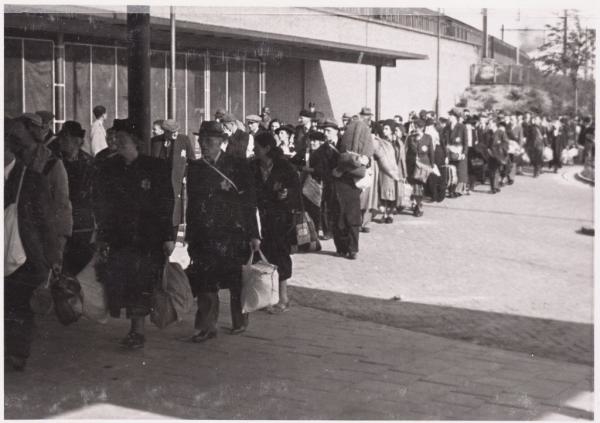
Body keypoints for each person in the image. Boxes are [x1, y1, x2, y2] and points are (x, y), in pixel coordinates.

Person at [94, 119, 175, 349]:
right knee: (125, 282)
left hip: (147, 239)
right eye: (115, 139)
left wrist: (168, 236)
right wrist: (102, 237)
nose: (117, 144)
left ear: (136, 142)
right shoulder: (110, 168)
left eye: (122, 140)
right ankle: (134, 328)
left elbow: (165, 203)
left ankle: (137, 331)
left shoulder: (155, 167)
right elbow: (105, 207)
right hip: (121, 238)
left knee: (141, 283)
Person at [186, 121, 260, 341]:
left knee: (236, 280)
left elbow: (249, 202)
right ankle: (207, 327)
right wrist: (190, 235)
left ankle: (240, 319)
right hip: (204, 235)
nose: (204, 145)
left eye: (209, 141)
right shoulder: (196, 168)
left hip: (232, 234)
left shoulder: (238, 166)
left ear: (222, 142)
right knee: (205, 282)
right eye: (201, 141)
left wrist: (254, 234)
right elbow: (192, 204)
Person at [4, 121, 61, 372]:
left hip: (24, 255)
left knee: (18, 307)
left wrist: (53, 259)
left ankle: (16, 354)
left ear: (9, 149)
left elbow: (47, 224)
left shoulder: (32, 180)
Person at [8, 113, 72, 269]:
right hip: (14, 237)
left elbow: (62, 205)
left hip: (39, 242)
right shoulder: (12, 159)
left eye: (19, 128)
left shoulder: (53, 164)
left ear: (30, 131)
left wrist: (59, 243)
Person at [251, 132, 302, 312]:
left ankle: (283, 297)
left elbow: (296, 190)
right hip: (260, 219)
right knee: (262, 257)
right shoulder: (253, 166)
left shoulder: (284, 167)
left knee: (280, 256)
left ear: (266, 148)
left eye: (257, 147)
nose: (254, 150)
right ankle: (266, 297)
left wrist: (286, 195)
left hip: (281, 220)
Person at [56, 121, 95, 276]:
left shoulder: (90, 163)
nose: (60, 141)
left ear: (77, 141)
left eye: (65, 138)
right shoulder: (55, 161)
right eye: (60, 137)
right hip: (61, 222)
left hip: (82, 225)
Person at [151, 119, 196, 240]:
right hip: (159, 183)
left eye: (177, 131)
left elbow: (191, 160)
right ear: (165, 132)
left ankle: (173, 239)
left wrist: (186, 175)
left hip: (176, 182)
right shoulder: (155, 142)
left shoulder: (184, 140)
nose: (175, 134)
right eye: (172, 132)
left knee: (175, 213)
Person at [406, 119, 434, 217]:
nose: (416, 129)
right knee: (415, 186)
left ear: (422, 128)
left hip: (423, 166)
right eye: (415, 127)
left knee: (420, 187)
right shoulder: (410, 138)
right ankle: (417, 205)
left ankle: (418, 205)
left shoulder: (428, 138)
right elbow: (407, 152)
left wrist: (432, 165)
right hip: (412, 166)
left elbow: (431, 152)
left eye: (418, 127)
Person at [375, 120, 400, 223]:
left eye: (387, 129)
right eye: (384, 128)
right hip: (384, 171)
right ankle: (384, 214)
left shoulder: (396, 143)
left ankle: (390, 214)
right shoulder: (381, 142)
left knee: (393, 194)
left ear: (392, 131)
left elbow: (400, 157)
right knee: (383, 193)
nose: (384, 131)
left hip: (395, 171)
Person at [442, 110, 469, 197]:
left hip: (459, 152)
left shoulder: (462, 127)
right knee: (451, 172)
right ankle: (451, 191)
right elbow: (444, 141)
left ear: (455, 117)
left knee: (460, 171)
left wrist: (464, 153)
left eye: (451, 116)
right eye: (449, 115)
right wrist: (446, 155)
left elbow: (466, 141)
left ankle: (459, 190)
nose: (449, 117)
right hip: (449, 153)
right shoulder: (447, 127)